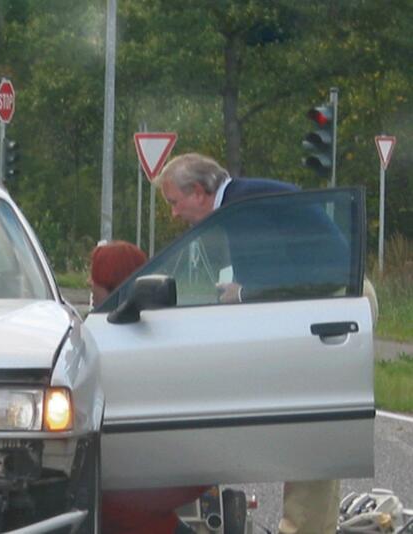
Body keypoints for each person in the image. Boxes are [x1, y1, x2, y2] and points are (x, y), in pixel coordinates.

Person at [156, 152, 341, 534]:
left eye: (174, 203)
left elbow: (295, 278)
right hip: (322, 302)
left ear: (199, 193)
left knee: (308, 425)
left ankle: (305, 528)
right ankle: (310, 525)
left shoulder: (244, 207)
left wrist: (244, 294)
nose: (174, 214)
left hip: (335, 302)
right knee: (307, 425)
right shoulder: (241, 201)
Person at [90, 240, 207, 534]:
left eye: (95, 289)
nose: (92, 297)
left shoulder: (96, 341)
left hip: (122, 506)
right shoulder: (169, 340)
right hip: (147, 502)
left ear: (114, 289)